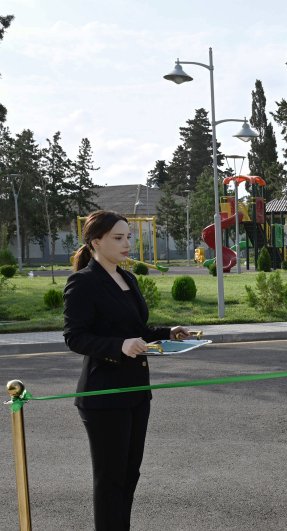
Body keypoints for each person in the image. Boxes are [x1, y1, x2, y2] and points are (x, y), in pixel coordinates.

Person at [63, 210, 190, 530]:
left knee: (130, 474)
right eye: (118, 238)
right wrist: (118, 346)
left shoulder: (127, 277)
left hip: (136, 392)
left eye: (129, 237)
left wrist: (166, 333)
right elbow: (75, 337)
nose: (127, 244)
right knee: (110, 479)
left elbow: (135, 329)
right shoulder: (83, 282)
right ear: (96, 242)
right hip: (104, 394)